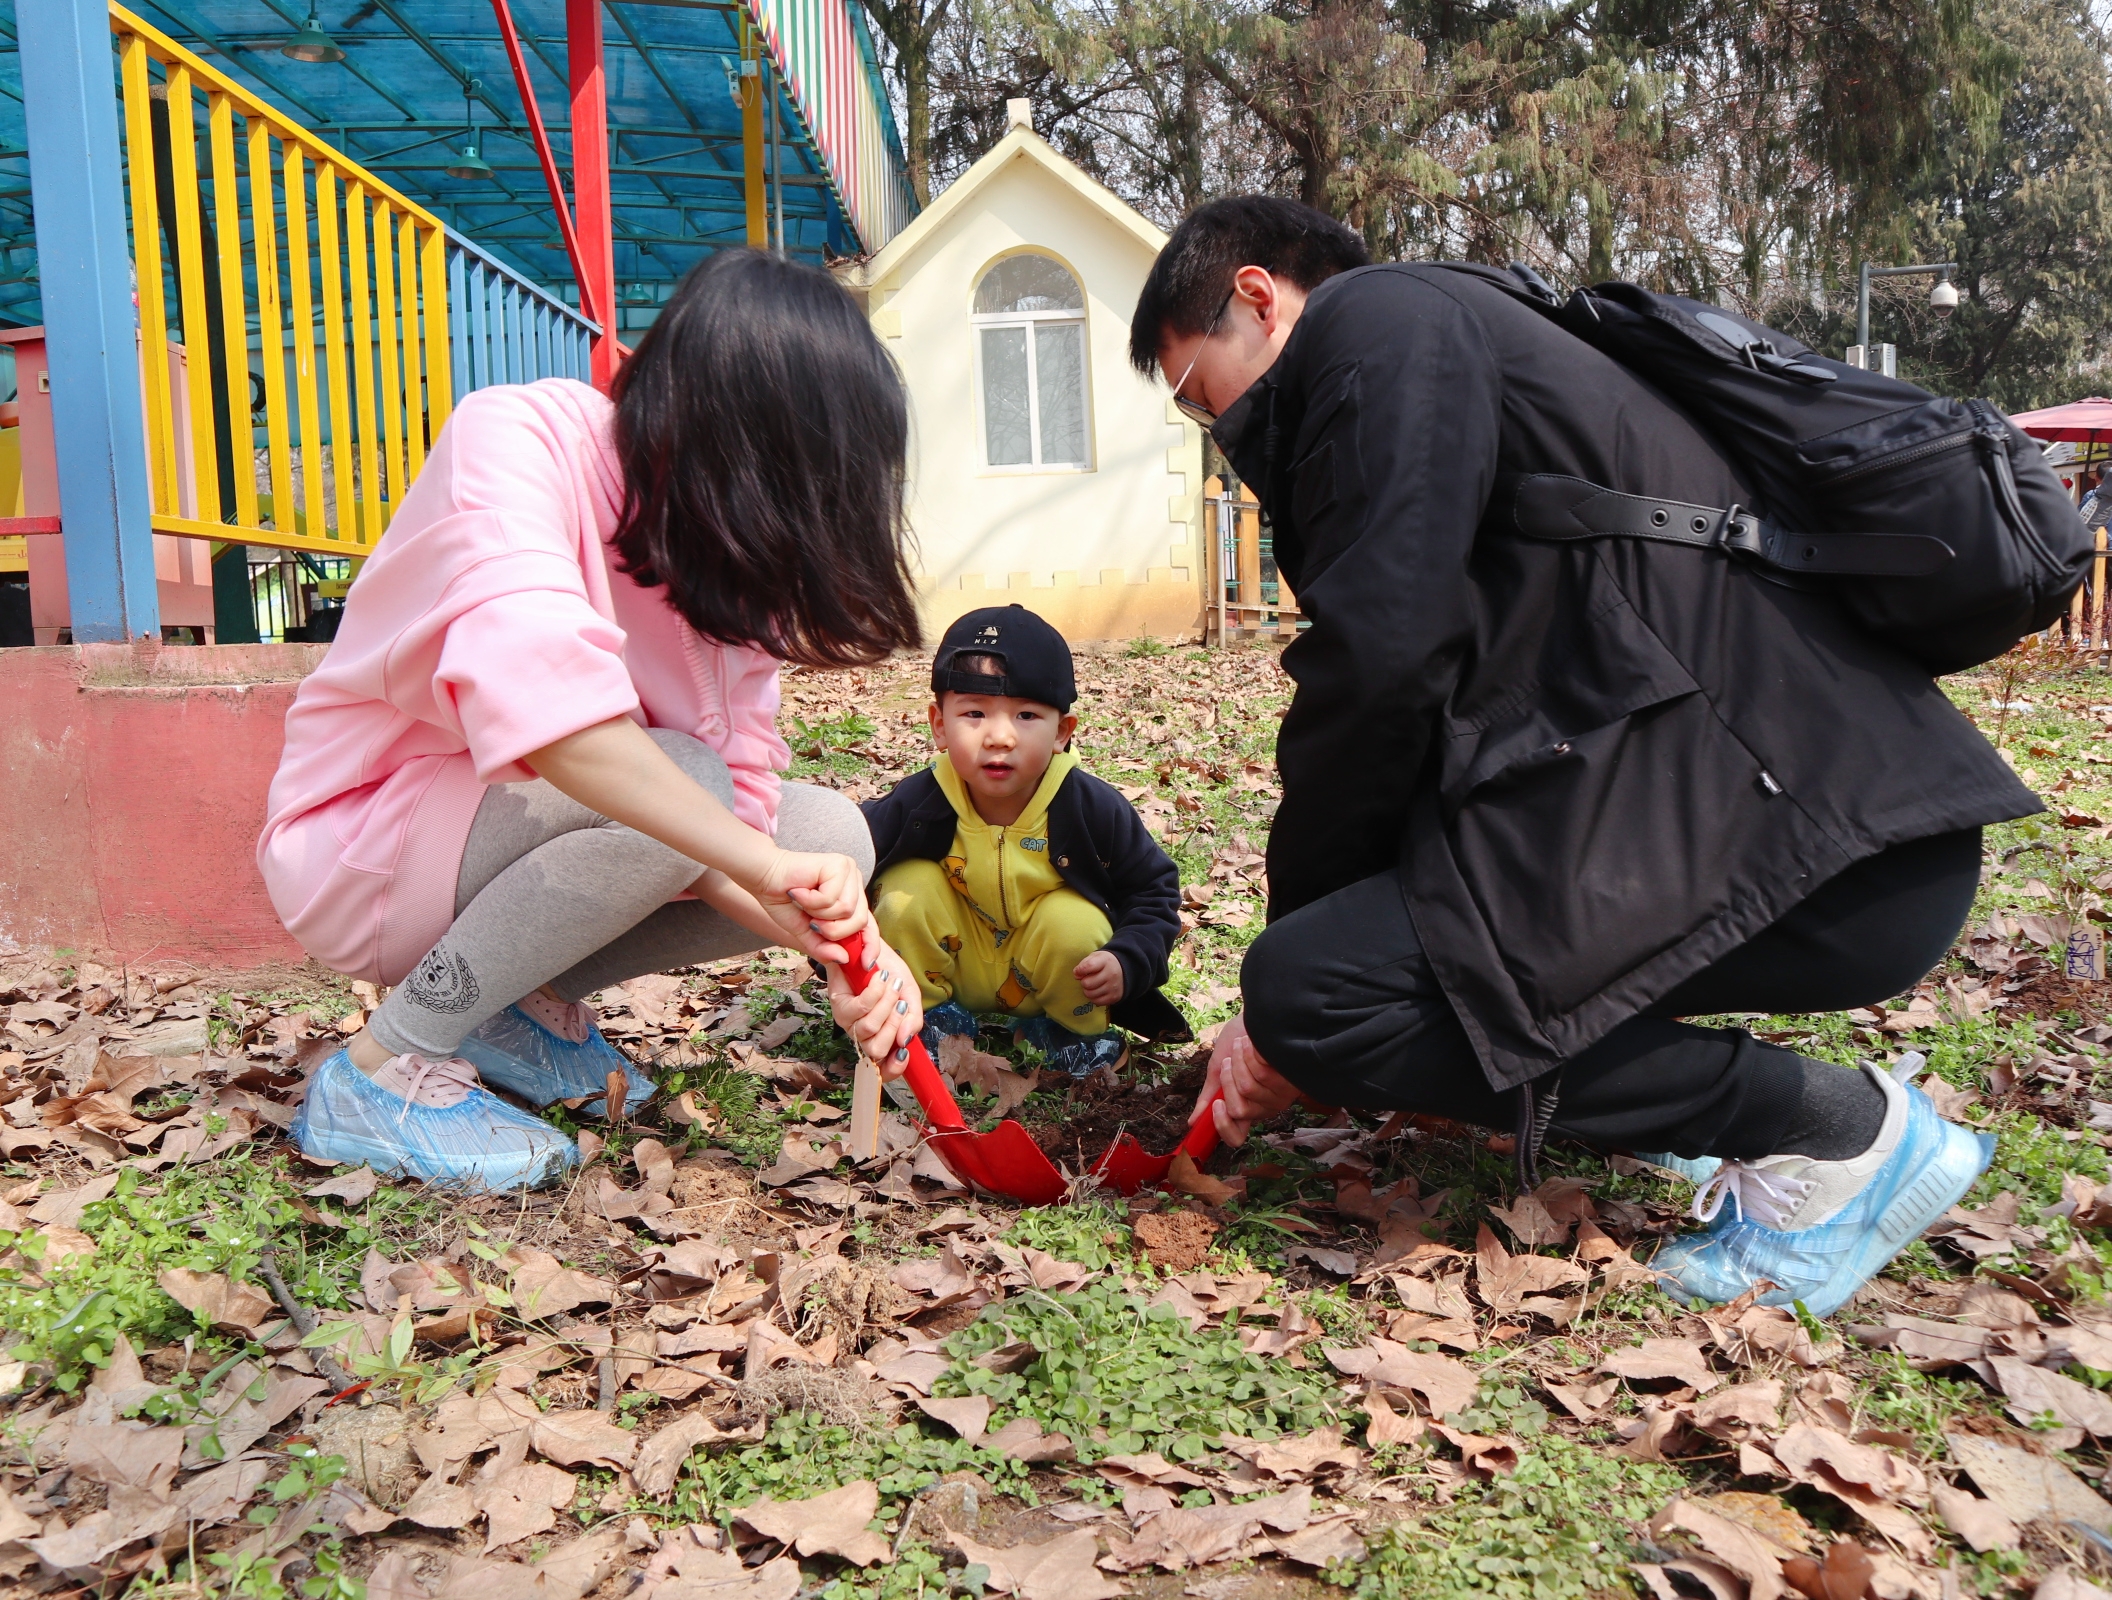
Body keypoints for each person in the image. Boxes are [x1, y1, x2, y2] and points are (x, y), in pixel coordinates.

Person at [1130, 197, 2040, 1317]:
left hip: (1802, 826)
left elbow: (1382, 653)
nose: (1209, 422)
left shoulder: (1379, 324)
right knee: (1341, 975)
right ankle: (1731, 1133)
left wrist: (1290, 992)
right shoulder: (1462, 340)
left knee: (1319, 994)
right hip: (1805, 817)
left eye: (1191, 390)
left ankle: (1838, 1135)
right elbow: (1442, 687)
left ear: (1259, 298)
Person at [259, 250, 925, 1192]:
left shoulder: (729, 578)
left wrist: (840, 947)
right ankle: (379, 1072)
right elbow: (557, 726)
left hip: (504, 848)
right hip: (369, 841)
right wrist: (765, 867)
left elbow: (732, 835)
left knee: (830, 835)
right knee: (693, 792)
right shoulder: (518, 443)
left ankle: (515, 1007)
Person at [860, 605, 1186, 1078]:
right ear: (938, 724)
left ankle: (1072, 1033)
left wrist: (1128, 960)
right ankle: (927, 1020)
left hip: (1050, 977)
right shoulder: (917, 801)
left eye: (1027, 714)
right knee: (904, 887)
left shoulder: (1090, 807)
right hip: (952, 964)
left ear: (1062, 732)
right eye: (974, 712)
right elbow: (842, 871)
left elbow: (1153, 890)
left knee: (1073, 920)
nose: (999, 736)